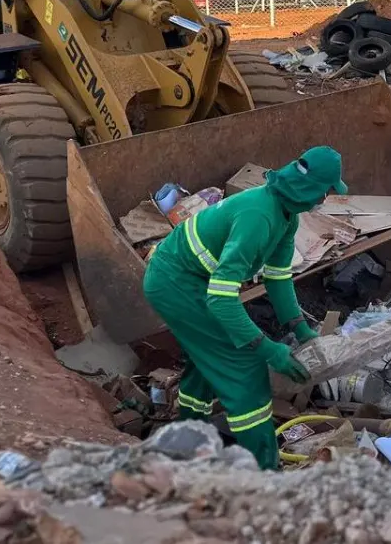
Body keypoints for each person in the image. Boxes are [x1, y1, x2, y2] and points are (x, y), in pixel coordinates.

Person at [143, 146, 348, 469]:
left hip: (189, 280)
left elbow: (278, 279)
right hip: (175, 283)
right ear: (311, 188)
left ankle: (185, 435)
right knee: (243, 368)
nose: (324, 199)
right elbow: (221, 299)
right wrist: (266, 349)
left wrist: (299, 326)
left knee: (208, 358)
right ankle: (265, 471)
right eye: (325, 191)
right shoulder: (258, 215)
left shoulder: (286, 216)